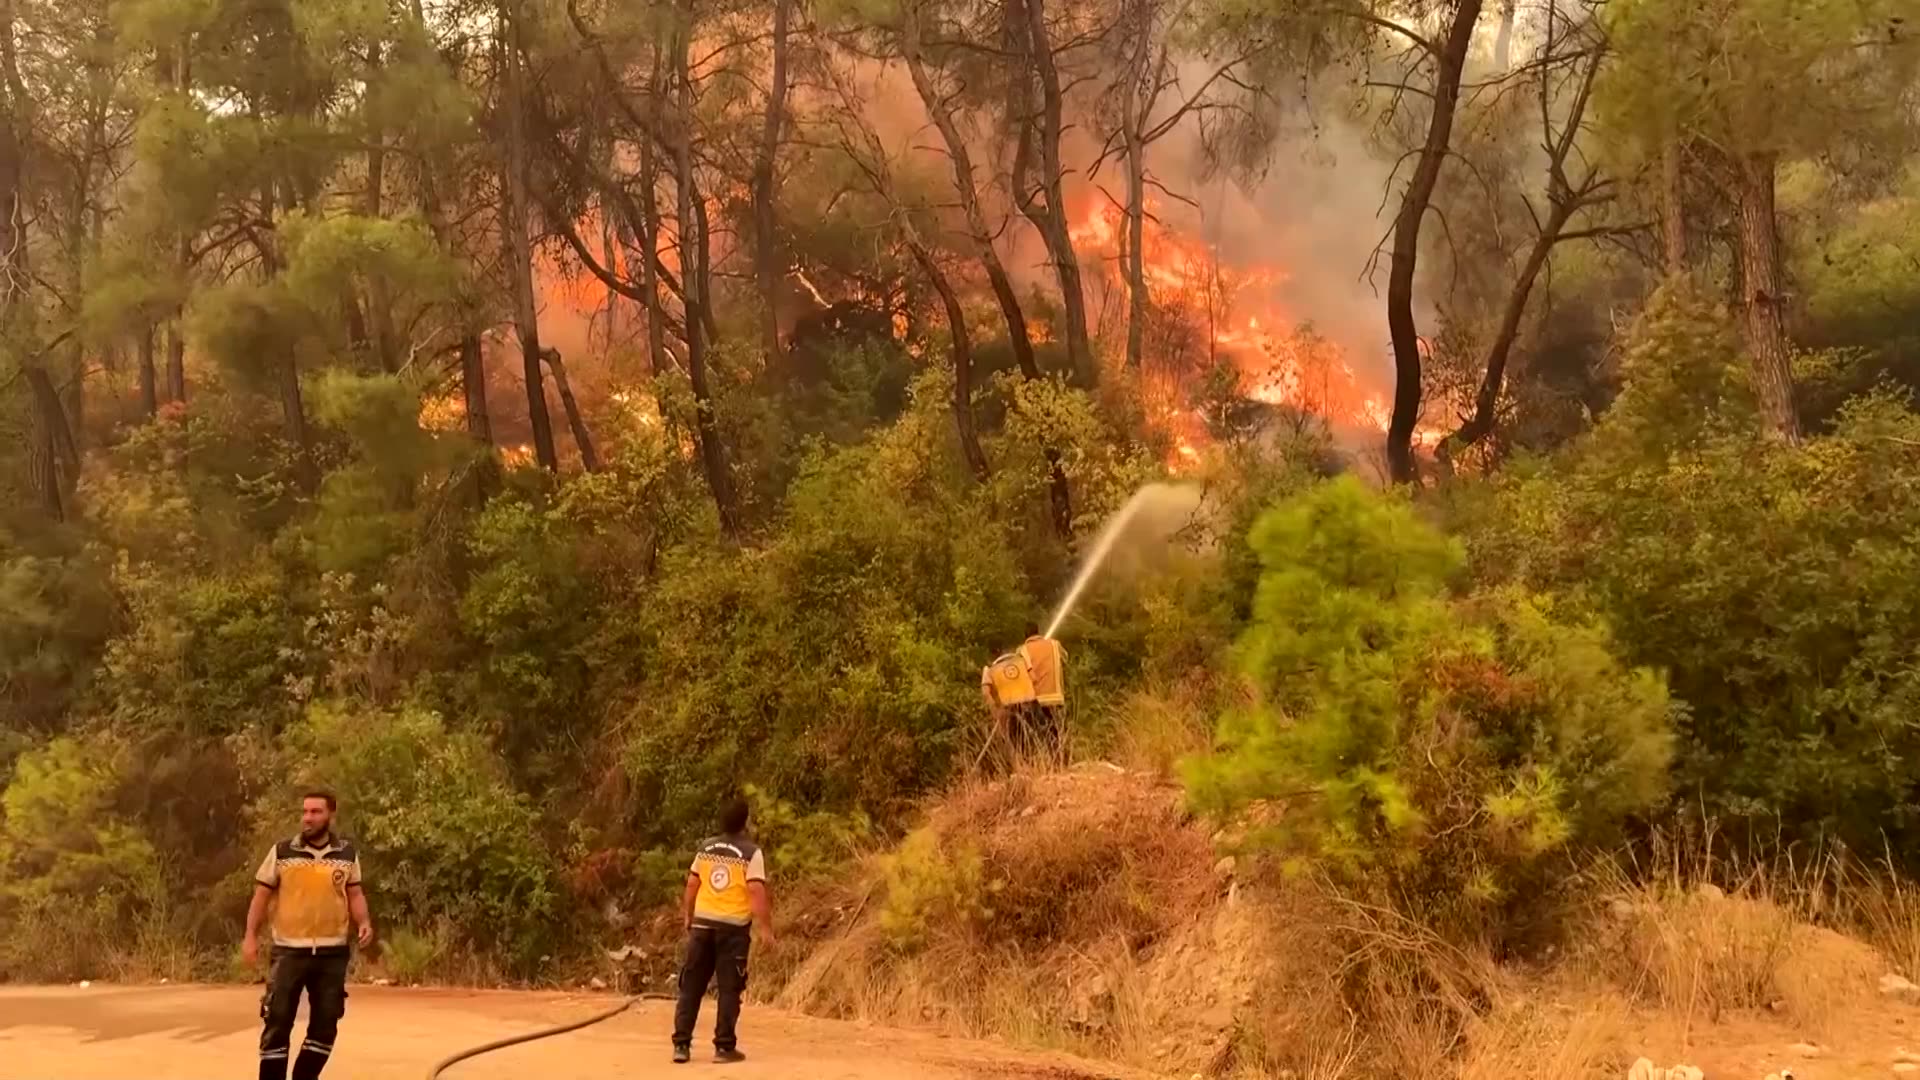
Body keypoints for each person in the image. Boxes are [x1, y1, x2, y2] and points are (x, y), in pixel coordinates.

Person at [244, 789, 373, 1080]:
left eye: (316, 812)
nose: (308, 818)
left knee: (326, 1025)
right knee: (277, 1020)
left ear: (330, 815)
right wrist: (250, 935)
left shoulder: (346, 854)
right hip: (289, 951)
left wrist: (364, 921)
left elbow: (355, 893)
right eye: (305, 812)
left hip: (332, 953)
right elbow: (261, 896)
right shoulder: (282, 852)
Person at [672, 798, 775, 1065]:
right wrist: (766, 929)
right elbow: (755, 890)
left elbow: (692, 884)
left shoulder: (706, 848)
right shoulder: (751, 852)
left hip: (702, 926)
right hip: (733, 929)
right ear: (746, 821)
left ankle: (681, 1045)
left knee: (691, 987)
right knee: (729, 989)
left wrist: (688, 915)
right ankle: (724, 1047)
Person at [1017, 622, 1068, 752]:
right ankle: (1060, 758)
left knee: (1038, 734)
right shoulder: (1055, 645)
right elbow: (1065, 659)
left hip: (1035, 699)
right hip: (1056, 697)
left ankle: (1042, 760)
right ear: (1038, 631)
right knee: (1057, 731)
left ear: (1025, 635)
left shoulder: (1022, 650)